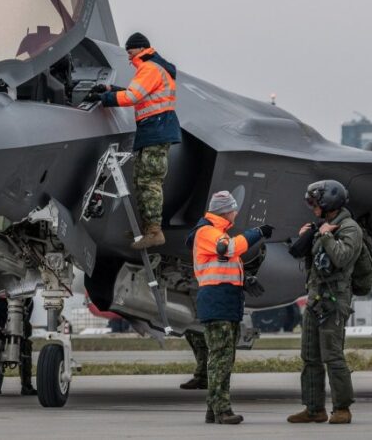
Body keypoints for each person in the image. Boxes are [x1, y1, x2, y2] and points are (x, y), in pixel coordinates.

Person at [93, 32, 182, 250]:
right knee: (140, 180)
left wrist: (105, 99)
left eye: (130, 51)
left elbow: (133, 97)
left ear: (141, 49)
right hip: (152, 130)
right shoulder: (153, 68)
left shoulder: (150, 68)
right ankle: (147, 227)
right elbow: (140, 94)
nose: (129, 57)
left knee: (149, 181)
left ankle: (154, 231)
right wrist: (110, 90)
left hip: (157, 130)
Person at [190, 190, 273, 424]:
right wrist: (257, 233)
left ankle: (213, 409)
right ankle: (222, 410)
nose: (236, 213)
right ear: (225, 211)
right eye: (234, 209)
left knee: (223, 358)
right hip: (217, 303)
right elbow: (228, 249)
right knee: (221, 359)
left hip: (226, 302)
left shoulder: (219, 234)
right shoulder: (207, 232)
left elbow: (221, 266)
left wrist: (244, 281)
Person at [287, 180, 362, 425]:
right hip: (315, 298)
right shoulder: (322, 227)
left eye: (314, 202)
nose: (312, 207)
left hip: (334, 300)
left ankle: (342, 408)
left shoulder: (349, 228)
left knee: (332, 355)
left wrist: (326, 235)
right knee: (310, 355)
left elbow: (341, 257)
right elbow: (315, 262)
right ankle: (313, 408)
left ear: (329, 202)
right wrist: (307, 238)